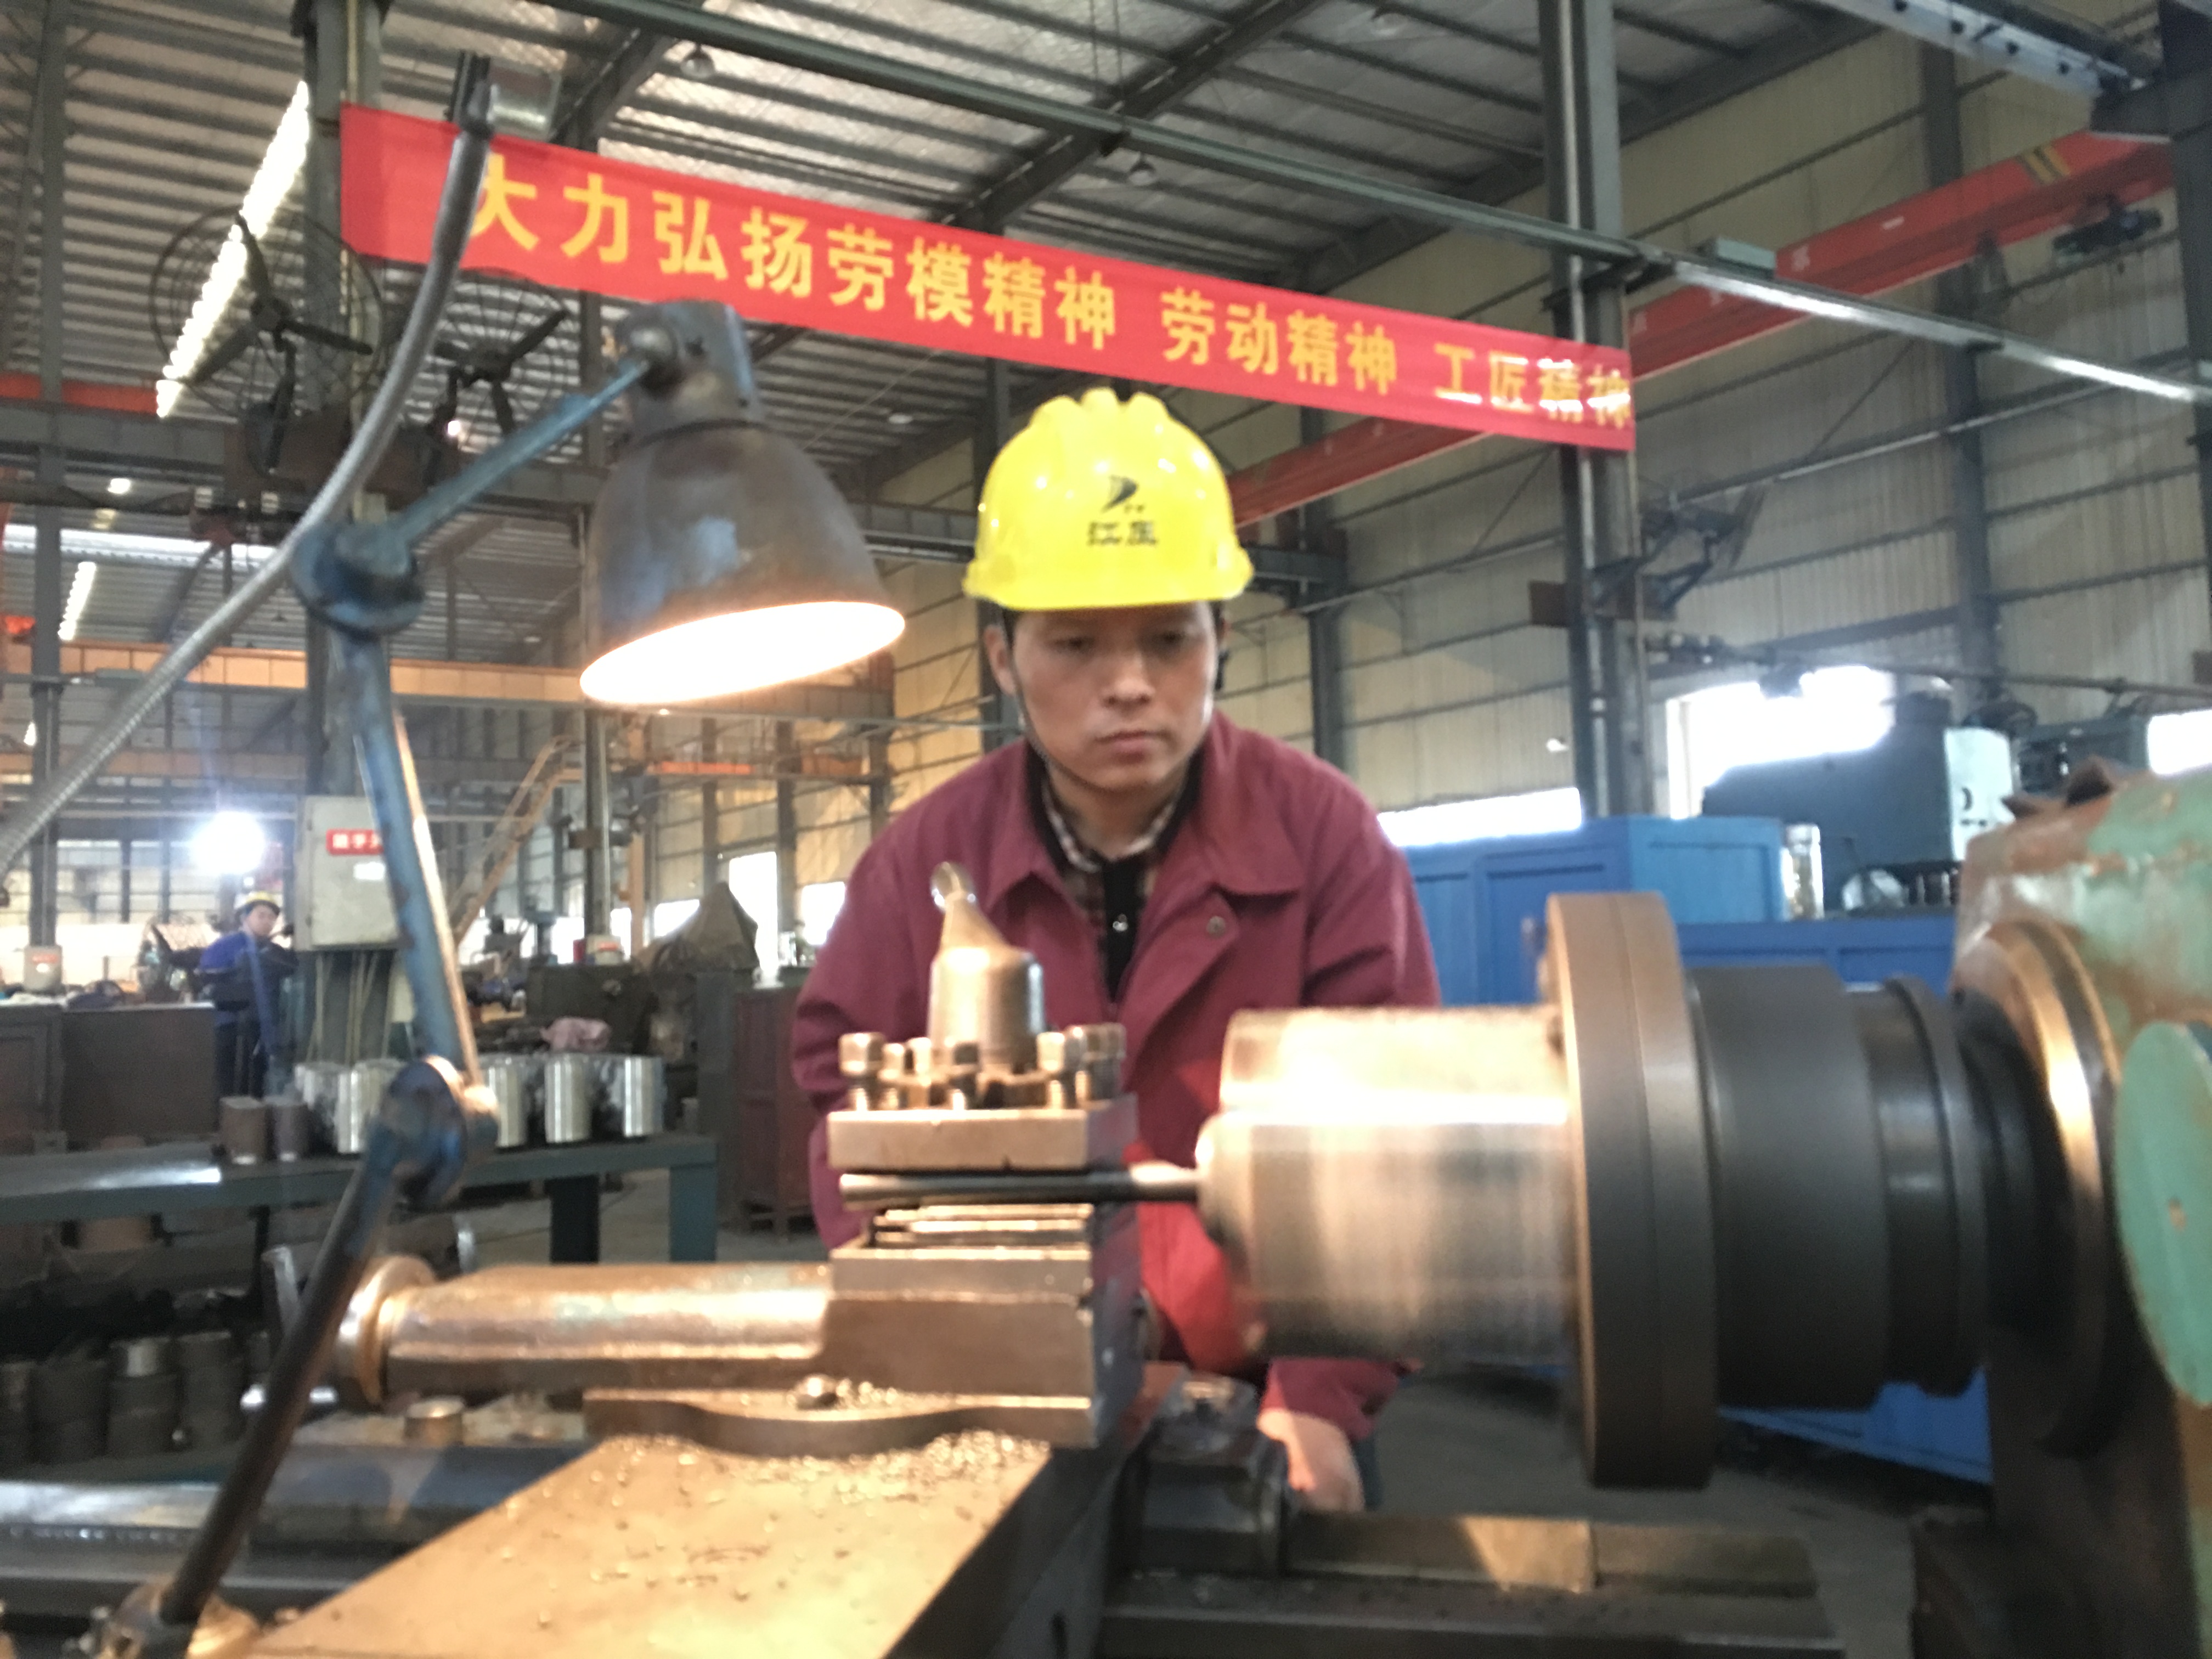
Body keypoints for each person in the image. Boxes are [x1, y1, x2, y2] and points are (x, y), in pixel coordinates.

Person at [793, 388, 1439, 1512]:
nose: (1129, 681)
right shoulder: (923, 863)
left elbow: (1396, 1137)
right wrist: (933, 1321)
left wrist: (1321, 1400)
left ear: (1222, 638)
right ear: (1001, 656)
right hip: (1003, 1378)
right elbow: (842, 1108)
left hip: (1265, 1398)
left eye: (1168, 638)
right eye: (1077, 643)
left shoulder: (1324, 839)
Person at [199, 891, 291, 1096]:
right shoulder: (223, 948)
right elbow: (209, 983)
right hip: (229, 1028)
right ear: (244, 917)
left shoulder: (276, 953)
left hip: (263, 1030)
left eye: (272, 917)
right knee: (228, 1084)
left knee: (258, 1084)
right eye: (261, 915)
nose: (267, 921)